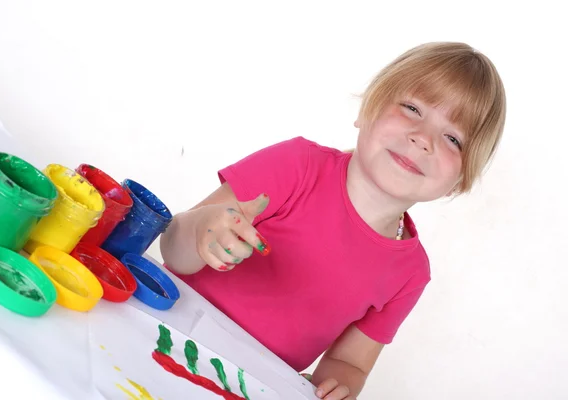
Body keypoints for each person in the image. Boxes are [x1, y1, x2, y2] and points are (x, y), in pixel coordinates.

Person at [160, 41, 506, 399]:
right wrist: (203, 231)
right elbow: (171, 247)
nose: (423, 139)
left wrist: (341, 386)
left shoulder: (410, 274)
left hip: (240, 387)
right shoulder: (297, 166)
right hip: (157, 328)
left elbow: (350, 363)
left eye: (453, 138)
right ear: (366, 110)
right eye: (411, 108)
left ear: (460, 181)